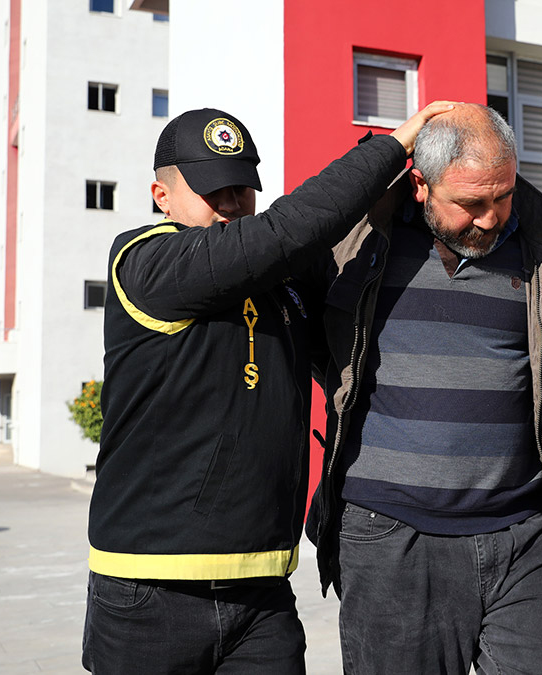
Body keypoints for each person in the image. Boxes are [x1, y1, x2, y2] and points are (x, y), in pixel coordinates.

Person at [83, 102, 454, 674]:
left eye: (242, 190)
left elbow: (346, 300)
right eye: (214, 192)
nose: (232, 206)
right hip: (150, 589)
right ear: (162, 197)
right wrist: (390, 147)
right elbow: (291, 228)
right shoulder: (144, 262)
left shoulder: (282, 285)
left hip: (262, 592)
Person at [306, 103, 542, 674]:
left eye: (503, 196)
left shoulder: (538, 247)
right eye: (470, 204)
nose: (491, 219)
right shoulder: (356, 246)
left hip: (526, 536)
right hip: (392, 540)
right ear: (419, 184)